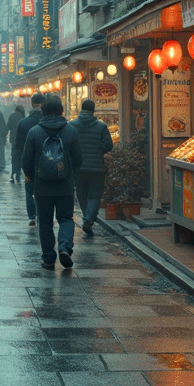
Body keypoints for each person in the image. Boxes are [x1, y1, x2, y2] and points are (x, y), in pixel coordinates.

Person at [21, 94, 84, 270]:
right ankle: (64, 247)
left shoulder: (34, 132)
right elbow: (79, 159)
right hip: (65, 185)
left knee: (45, 222)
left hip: (42, 187)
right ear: (61, 111)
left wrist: (31, 177)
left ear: (43, 111)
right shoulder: (71, 130)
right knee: (65, 218)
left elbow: (26, 160)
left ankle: (49, 258)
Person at [70, 99, 114, 235]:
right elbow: (109, 145)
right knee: (94, 196)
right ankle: (89, 219)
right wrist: (98, 149)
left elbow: (68, 145)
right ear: (93, 110)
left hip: (79, 168)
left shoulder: (72, 125)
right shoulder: (101, 127)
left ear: (81, 109)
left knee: (82, 196)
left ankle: (87, 218)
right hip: (97, 168)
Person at [12, 92, 44, 222]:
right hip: (47, 161)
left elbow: (18, 145)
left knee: (29, 190)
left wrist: (23, 163)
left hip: (29, 162)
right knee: (44, 190)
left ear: (31, 104)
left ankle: (32, 216)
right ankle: (43, 213)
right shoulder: (48, 122)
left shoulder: (23, 122)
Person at [6, 103, 25, 182]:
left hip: (14, 139)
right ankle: (18, 172)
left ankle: (12, 174)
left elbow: (8, 127)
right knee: (20, 156)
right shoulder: (23, 117)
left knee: (14, 156)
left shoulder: (12, 115)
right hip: (22, 139)